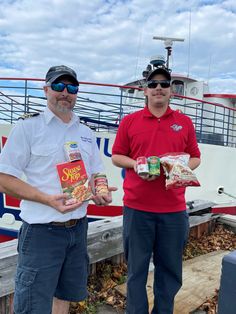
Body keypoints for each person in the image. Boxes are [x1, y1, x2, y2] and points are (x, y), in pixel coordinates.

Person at [0, 65, 116, 314]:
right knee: (32, 304)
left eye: (72, 87)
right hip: (42, 233)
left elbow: (97, 170)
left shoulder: (84, 132)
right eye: (58, 86)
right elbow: (3, 179)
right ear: (46, 90)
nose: (65, 92)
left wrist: (101, 189)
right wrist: (47, 199)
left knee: (64, 295)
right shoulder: (28, 128)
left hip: (78, 229)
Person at [112, 66, 201, 314]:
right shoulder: (130, 121)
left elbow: (195, 157)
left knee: (170, 271)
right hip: (137, 210)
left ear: (171, 90)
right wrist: (136, 163)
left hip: (173, 211)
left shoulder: (184, 122)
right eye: (153, 84)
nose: (158, 88)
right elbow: (117, 156)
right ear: (145, 91)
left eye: (164, 84)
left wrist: (179, 167)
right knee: (136, 272)